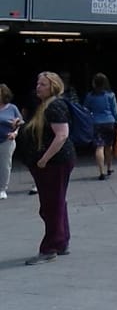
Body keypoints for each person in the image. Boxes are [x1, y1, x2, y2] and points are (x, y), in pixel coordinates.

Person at [17, 72, 75, 265]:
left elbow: (62, 135)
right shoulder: (45, 105)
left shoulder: (55, 105)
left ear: (53, 87)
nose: (38, 87)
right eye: (38, 83)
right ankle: (61, 241)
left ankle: (50, 247)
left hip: (54, 163)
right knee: (56, 202)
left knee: (51, 205)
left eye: (42, 84)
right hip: (50, 162)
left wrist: (44, 159)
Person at [83, 73, 117, 180]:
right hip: (109, 122)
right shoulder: (110, 95)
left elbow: (85, 109)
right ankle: (109, 168)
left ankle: (101, 172)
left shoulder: (89, 96)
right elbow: (115, 110)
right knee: (109, 146)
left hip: (95, 123)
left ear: (94, 84)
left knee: (99, 147)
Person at [0, 84, 22, 200]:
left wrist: (15, 132)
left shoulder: (12, 108)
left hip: (6, 140)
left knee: (4, 165)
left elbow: (20, 122)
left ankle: (2, 189)